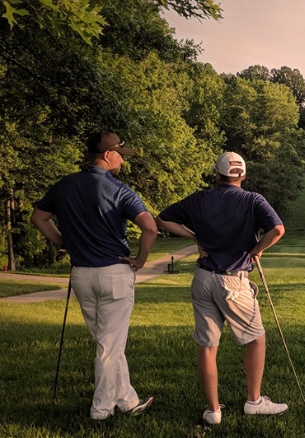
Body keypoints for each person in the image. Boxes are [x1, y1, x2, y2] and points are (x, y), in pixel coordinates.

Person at [31, 131, 157, 420]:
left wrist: (63, 241)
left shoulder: (64, 185)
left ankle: (127, 399)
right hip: (113, 273)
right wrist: (140, 259)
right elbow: (149, 227)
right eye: (121, 156)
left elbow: (38, 217)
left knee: (107, 341)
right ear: (107, 155)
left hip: (81, 275)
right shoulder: (119, 189)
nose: (123, 162)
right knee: (109, 346)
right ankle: (101, 409)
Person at [155, 152, 288, 425]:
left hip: (203, 277)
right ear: (243, 176)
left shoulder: (200, 198)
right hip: (234, 281)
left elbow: (163, 219)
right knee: (256, 339)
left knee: (207, 345)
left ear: (217, 174)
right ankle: (254, 401)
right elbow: (277, 229)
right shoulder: (252, 200)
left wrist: (195, 237)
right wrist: (257, 249)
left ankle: (213, 411)